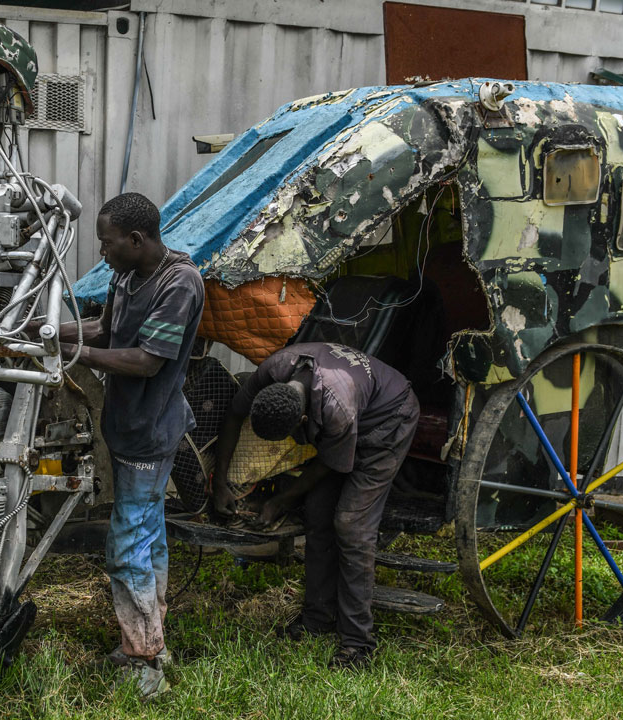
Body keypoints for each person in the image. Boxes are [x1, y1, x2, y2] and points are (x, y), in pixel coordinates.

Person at [55, 192, 204, 700]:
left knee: (127, 548)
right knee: (148, 535)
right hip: (128, 425)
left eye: (107, 242)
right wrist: (50, 332)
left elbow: (146, 360)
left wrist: (77, 351)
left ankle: (143, 662)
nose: (103, 253)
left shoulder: (178, 282)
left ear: (137, 239)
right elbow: (105, 328)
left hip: (150, 429)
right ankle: (152, 640)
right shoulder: (128, 275)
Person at [211, 342, 418, 669]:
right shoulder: (273, 369)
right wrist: (219, 483)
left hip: (389, 420)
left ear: (304, 418)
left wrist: (279, 500)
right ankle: (318, 618)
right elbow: (236, 414)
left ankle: (357, 644)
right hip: (353, 411)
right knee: (318, 514)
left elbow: (329, 463)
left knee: (351, 526)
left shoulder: (337, 409)